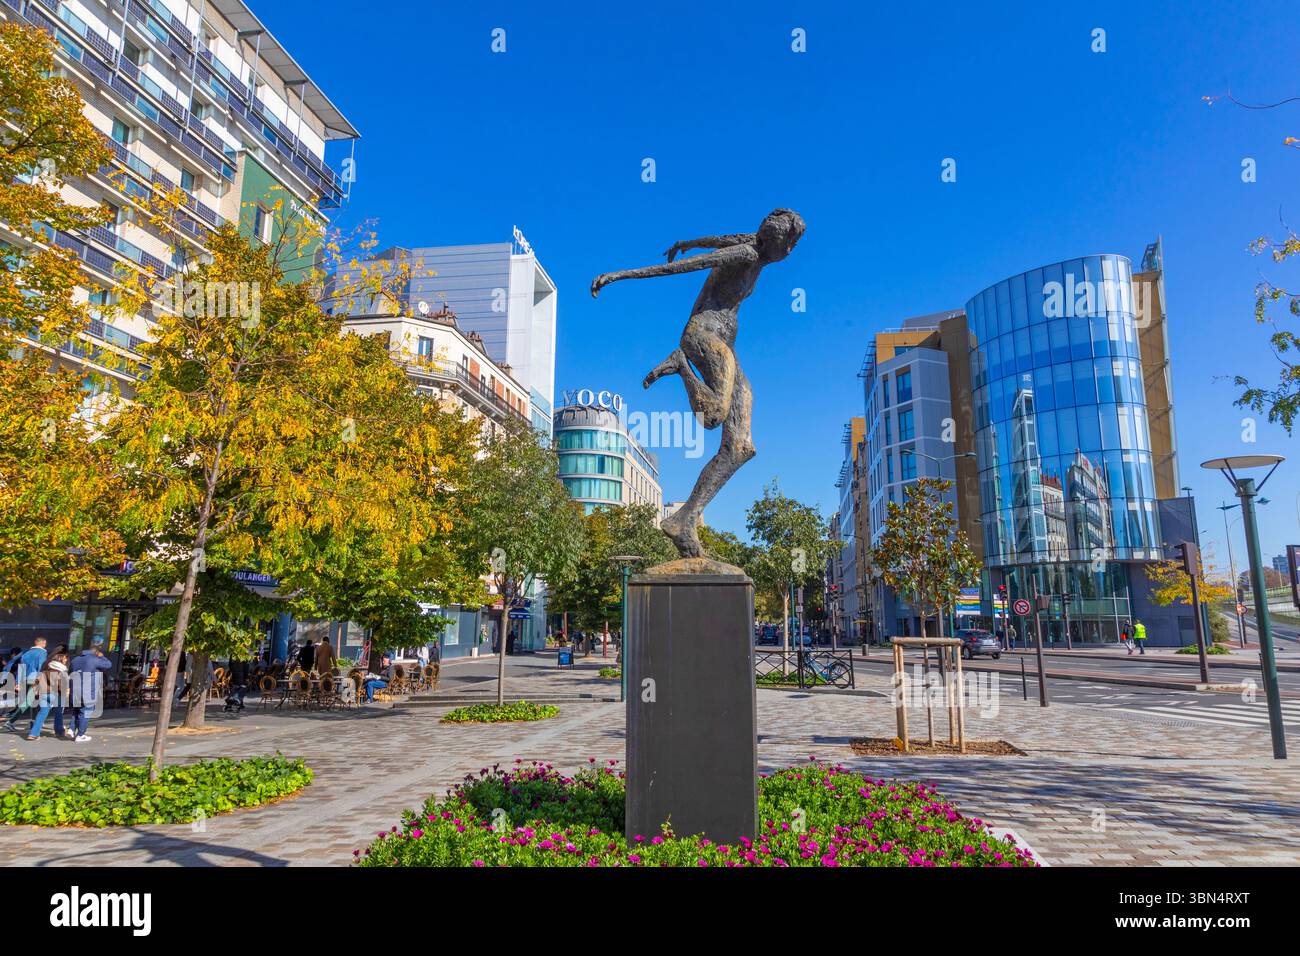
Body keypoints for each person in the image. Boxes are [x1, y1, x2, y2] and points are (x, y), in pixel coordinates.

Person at [68, 637, 113, 741]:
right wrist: (102, 657)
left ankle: (71, 729)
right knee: (86, 711)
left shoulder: (75, 659)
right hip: (88, 691)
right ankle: (80, 735)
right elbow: (108, 665)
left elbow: (69, 672)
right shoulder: (95, 660)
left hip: (75, 690)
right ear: (97, 651)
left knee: (76, 710)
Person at [3, 637, 48, 732]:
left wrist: (18, 683)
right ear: (43, 643)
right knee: (28, 701)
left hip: (25, 680)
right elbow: (41, 667)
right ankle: (10, 722)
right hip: (35, 679)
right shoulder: (42, 653)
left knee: (32, 701)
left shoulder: (26, 653)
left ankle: (33, 722)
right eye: (45, 644)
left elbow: (21, 669)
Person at [25, 651, 70, 740]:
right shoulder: (62, 672)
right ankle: (59, 732)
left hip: (44, 694)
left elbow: (35, 683)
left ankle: (33, 734)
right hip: (57, 695)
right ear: (60, 660)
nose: (66, 660)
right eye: (64, 658)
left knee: (42, 714)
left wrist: (36, 693)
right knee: (58, 713)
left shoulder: (44, 671)